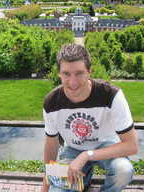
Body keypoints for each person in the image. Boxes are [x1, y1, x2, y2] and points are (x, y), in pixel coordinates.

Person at [41, 44, 138, 192]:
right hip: (73, 149)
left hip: (106, 144)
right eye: (66, 74)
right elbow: (51, 144)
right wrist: (45, 188)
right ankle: (84, 180)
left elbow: (132, 145)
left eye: (79, 73)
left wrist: (86, 155)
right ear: (59, 73)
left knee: (123, 171)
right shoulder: (51, 102)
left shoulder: (112, 96)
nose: (72, 82)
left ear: (89, 71)